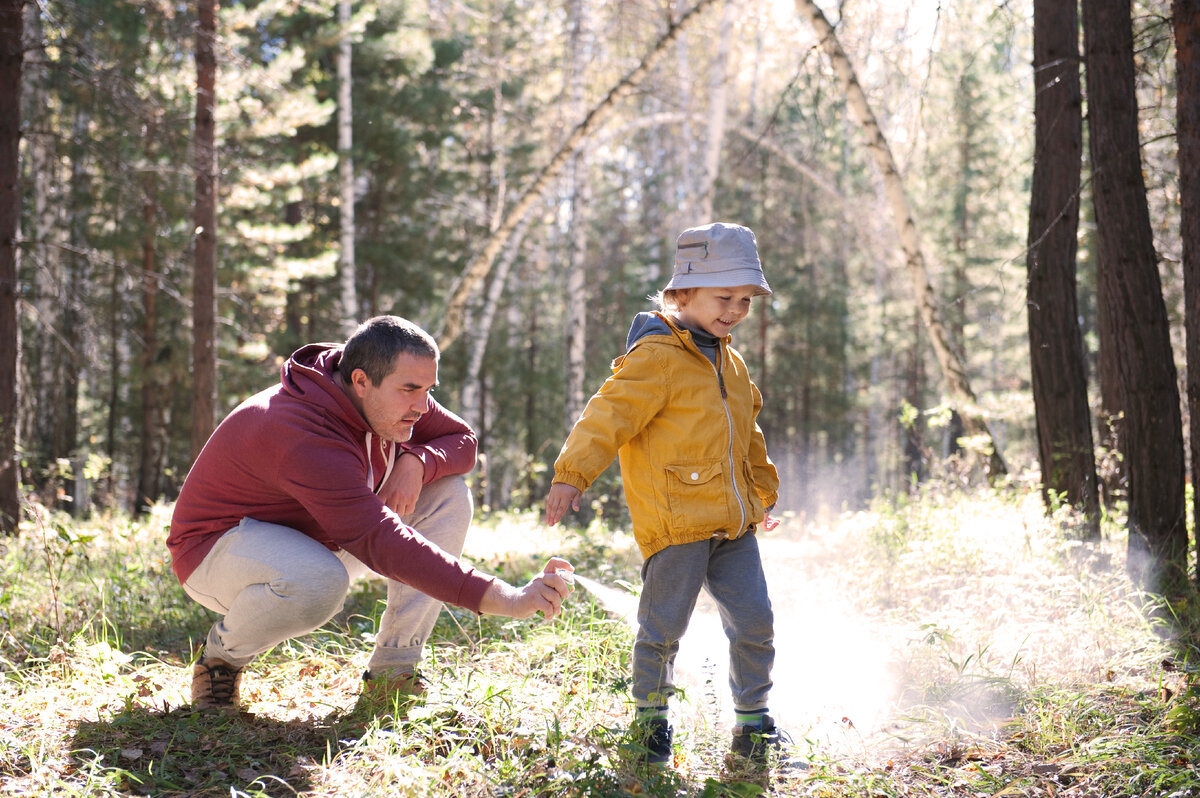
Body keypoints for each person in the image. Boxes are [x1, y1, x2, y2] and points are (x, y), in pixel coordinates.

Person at [169, 315, 573, 710]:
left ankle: (393, 672)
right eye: (410, 389)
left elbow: (463, 441)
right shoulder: (302, 433)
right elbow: (384, 544)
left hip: (322, 537)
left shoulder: (383, 394)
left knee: (448, 493)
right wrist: (509, 599)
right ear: (361, 381)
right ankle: (222, 659)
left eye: (428, 390)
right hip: (218, 552)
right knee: (318, 582)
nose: (422, 406)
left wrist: (417, 463)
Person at [545, 222, 782, 768]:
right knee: (663, 627)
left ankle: (753, 722)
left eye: (745, 300)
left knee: (755, 621)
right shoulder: (655, 358)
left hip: (733, 525)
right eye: (724, 297)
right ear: (683, 294)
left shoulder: (731, 361)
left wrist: (762, 492)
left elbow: (747, 434)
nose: (735, 310)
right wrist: (571, 475)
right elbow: (607, 417)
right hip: (676, 523)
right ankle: (651, 721)